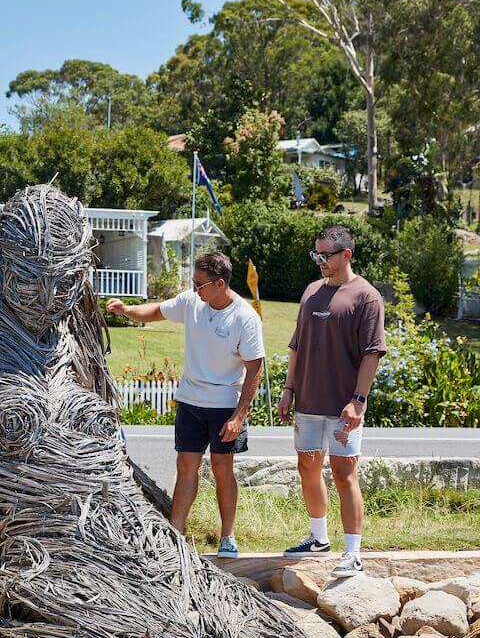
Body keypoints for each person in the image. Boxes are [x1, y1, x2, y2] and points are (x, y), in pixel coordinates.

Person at [108, 251, 265, 554]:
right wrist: (126, 310)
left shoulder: (244, 317)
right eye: (194, 283)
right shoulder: (193, 302)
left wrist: (238, 416)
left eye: (200, 284)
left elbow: (254, 369)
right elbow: (155, 311)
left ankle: (228, 537)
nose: (194, 289)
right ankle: (176, 534)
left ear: (220, 283)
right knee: (185, 466)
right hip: (191, 401)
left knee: (222, 468)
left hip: (225, 405)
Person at [279, 224, 386, 577]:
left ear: (346, 255)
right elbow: (296, 346)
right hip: (307, 402)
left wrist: (359, 400)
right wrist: (288, 389)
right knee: (307, 468)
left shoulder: (366, 297)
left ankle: (353, 553)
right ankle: (318, 538)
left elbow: (372, 353)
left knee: (345, 474)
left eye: (326, 255)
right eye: (317, 254)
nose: (320, 261)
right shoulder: (311, 292)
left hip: (344, 407)